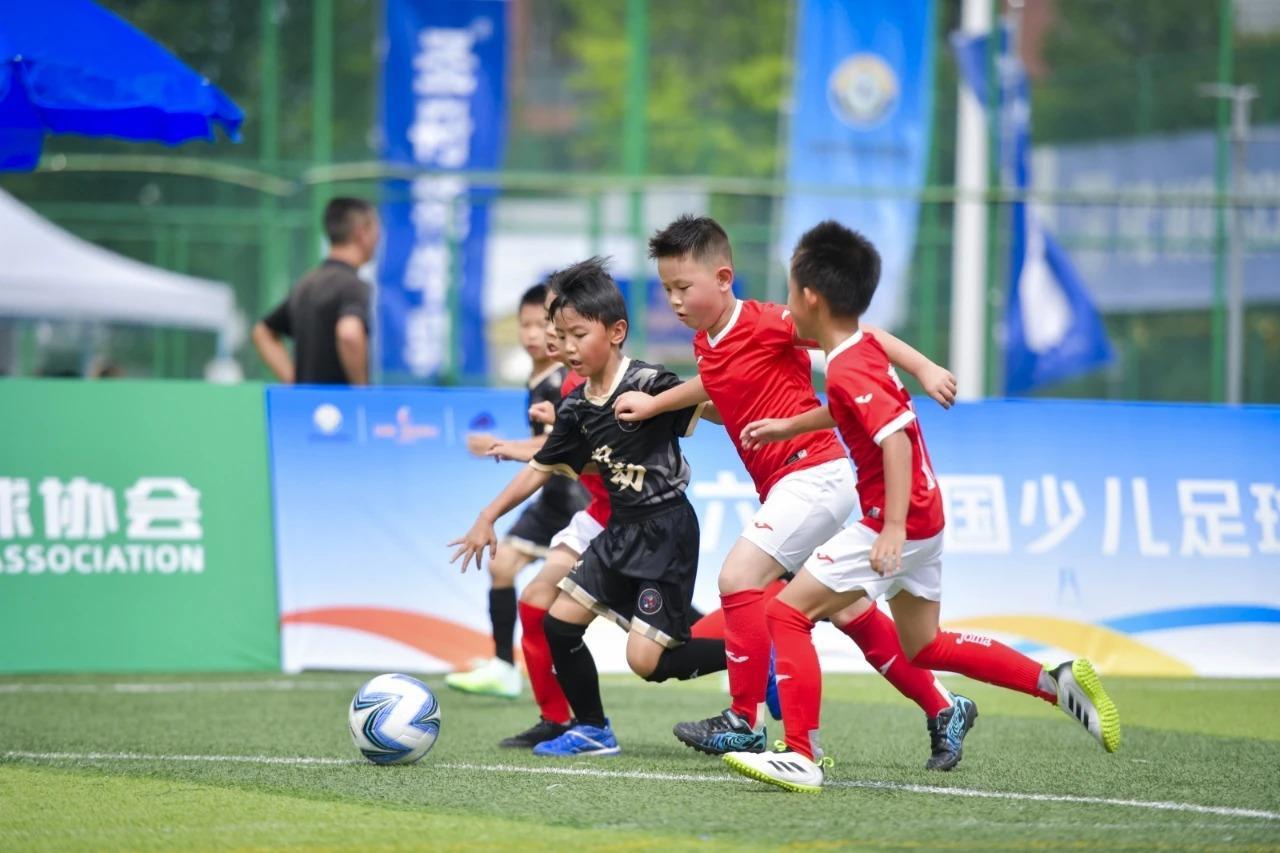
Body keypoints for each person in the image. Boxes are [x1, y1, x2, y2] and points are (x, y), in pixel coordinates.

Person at [722, 220, 1121, 793]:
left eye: (790, 289)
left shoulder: (849, 364)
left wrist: (889, 530)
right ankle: (1055, 682)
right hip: (925, 519)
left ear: (810, 298)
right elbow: (851, 410)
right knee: (925, 644)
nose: (786, 301)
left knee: (786, 613)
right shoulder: (857, 352)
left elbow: (896, 441)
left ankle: (802, 755)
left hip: (898, 522)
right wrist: (788, 425)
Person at [613, 215, 971, 770]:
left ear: (724, 278)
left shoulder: (765, 321)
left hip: (813, 475)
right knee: (851, 611)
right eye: (666, 289)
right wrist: (657, 404)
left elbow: (860, 338)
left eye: (683, 287)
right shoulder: (707, 340)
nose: (674, 300)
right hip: (797, 487)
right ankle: (943, 706)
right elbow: (716, 383)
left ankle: (745, 720)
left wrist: (923, 367)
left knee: (737, 577)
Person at [449, 257, 727, 757]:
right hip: (618, 528)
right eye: (562, 336)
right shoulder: (576, 406)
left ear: (617, 331)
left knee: (647, 662)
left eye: (578, 335)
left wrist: (732, 405)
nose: (568, 347)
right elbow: (542, 467)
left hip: (665, 531)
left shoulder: (649, 382)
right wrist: (487, 516)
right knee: (558, 621)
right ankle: (593, 728)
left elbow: (718, 407)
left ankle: (753, 654)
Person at [445, 284, 589, 700]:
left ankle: (724, 645)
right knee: (503, 565)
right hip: (552, 498)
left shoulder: (560, 379)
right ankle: (504, 667)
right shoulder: (539, 376)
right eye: (525, 325)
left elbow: (554, 447)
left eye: (542, 324)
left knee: (631, 605)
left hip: (577, 502)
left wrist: (501, 446)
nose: (533, 334)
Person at [253, 197, 378, 385]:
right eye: (376, 230)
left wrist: (294, 382)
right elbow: (349, 333)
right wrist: (361, 392)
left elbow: (262, 332)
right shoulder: (353, 285)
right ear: (362, 233)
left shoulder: (306, 283)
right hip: (339, 402)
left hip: (305, 402)